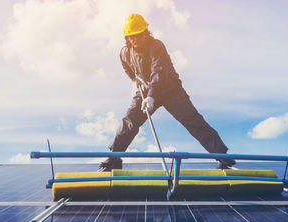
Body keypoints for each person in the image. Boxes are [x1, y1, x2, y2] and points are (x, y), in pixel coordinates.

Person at [99, 13, 235, 171]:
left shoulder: (156, 46)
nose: (134, 39)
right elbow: (127, 67)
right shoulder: (124, 52)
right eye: (130, 36)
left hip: (170, 90)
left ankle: (223, 157)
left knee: (192, 120)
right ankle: (114, 158)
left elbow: (158, 73)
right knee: (130, 120)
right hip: (145, 90)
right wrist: (135, 82)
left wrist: (151, 97)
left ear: (145, 33)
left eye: (138, 35)